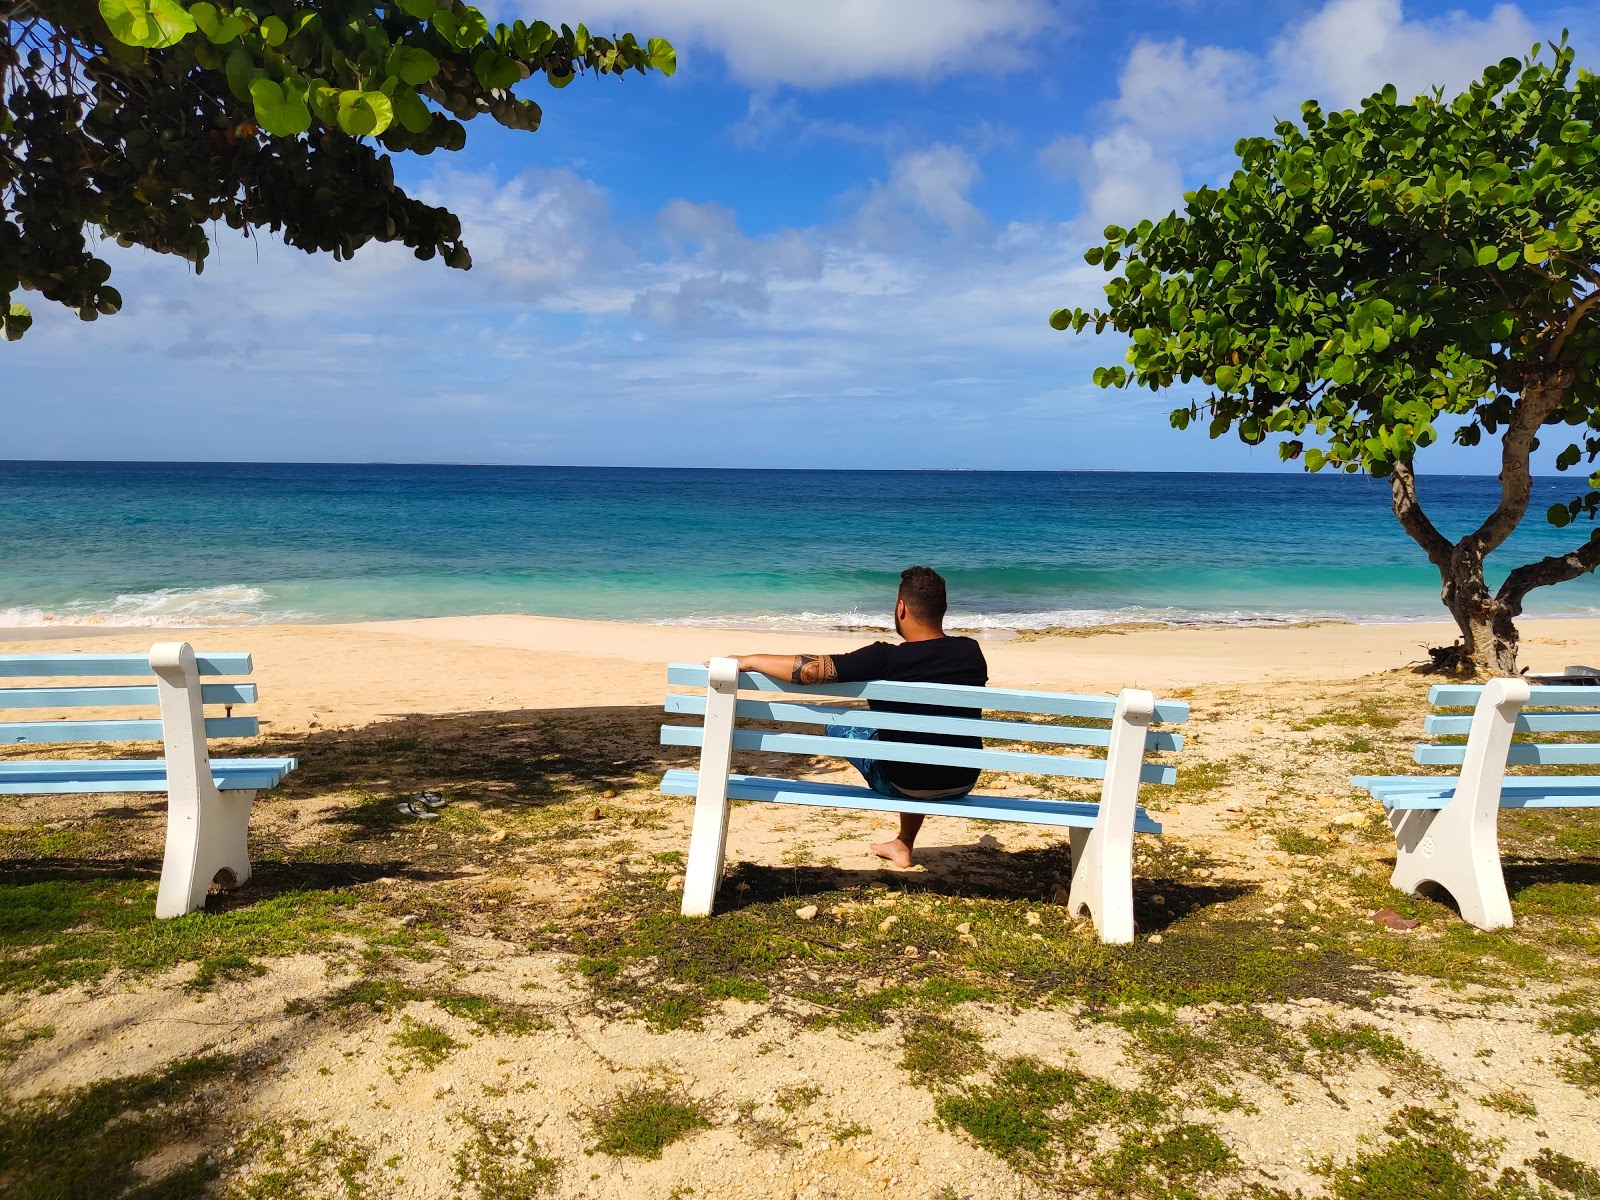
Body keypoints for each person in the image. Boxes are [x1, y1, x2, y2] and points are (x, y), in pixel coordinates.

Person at [726, 566, 988, 868]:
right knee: (915, 737)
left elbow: (812, 670)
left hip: (902, 781)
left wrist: (752, 659)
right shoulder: (971, 651)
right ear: (943, 610)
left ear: (901, 608)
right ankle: (903, 844)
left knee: (841, 724)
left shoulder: (885, 658)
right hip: (961, 779)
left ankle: (903, 842)